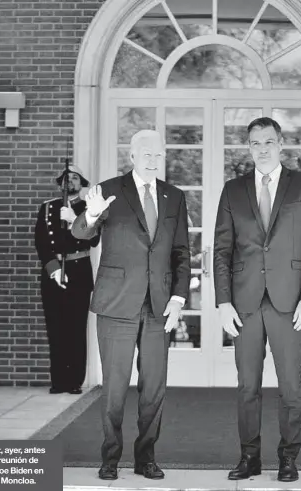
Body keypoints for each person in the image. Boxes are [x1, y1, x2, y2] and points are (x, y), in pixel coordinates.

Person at [71, 129, 190, 481]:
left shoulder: (174, 196)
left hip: (158, 307)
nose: (154, 160)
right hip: (116, 305)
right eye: (147, 154)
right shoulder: (107, 190)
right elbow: (81, 234)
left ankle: (146, 458)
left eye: (158, 154)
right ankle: (110, 458)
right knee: (115, 387)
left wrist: (179, 297)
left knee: (154, 389)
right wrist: (91, 215)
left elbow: (180, 251)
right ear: (133, 156)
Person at [213, 117, 301, 483]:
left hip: (289, 303)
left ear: (281, 144)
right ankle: (249, 458)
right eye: (254, 143)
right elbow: (221, 250)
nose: (261, 148)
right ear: (249, 147)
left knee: (290, 386)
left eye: (268, 141)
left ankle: (288, 458)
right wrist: (223, 301)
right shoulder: (233, 190)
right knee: (247, 386)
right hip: (243, 303)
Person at [34, 165, 98, 395]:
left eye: (74, 178)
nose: (69, 181)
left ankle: (74, 382)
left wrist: (74, 220)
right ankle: (58, 381)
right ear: (60, 183)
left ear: (81, 183)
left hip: (79, 272)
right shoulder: (47, 208)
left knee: (76, 329)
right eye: (65, 178)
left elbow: (94, 239)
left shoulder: (89, 208)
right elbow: (41, 242)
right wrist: (53, 270)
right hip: (53, 275)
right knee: (56, 328)